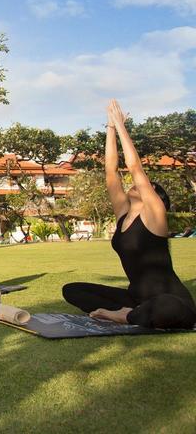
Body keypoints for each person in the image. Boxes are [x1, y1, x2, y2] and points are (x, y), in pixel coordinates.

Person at [62, 100, 196, 329]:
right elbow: (111, 171)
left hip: (170, 298)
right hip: (136, 298)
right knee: (72, 290)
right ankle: (134, 313)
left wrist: (122, 127)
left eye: (149, 186)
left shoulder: (155, 216)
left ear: (157, 199)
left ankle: (124, 316)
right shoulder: (124, 213)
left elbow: (135, 169)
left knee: (169, 307)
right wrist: (111, 127)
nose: (141, 185)